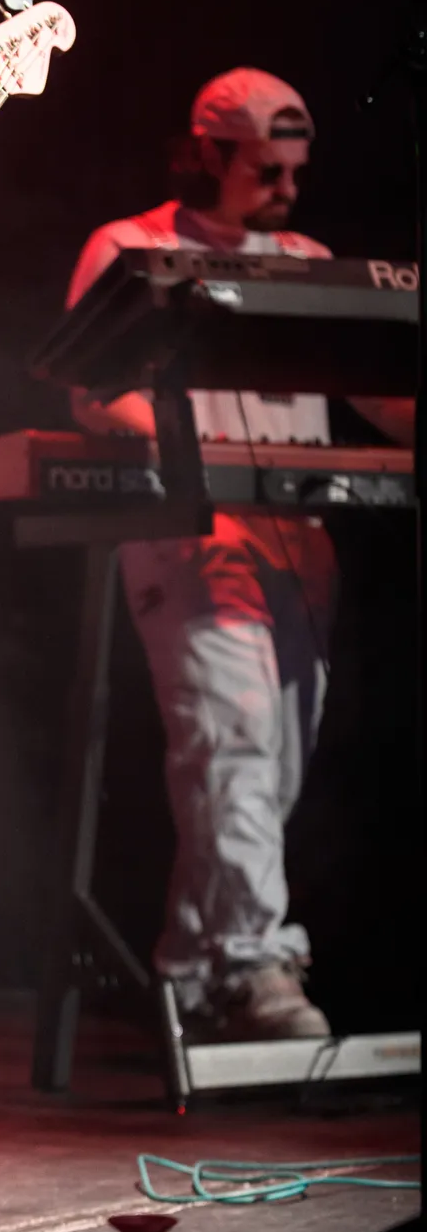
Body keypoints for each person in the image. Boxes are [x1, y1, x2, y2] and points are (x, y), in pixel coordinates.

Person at [67, 67, 413, 1046]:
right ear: (207, 157)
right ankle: (258, 961)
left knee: (274, 759)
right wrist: (201, 470)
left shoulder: (310, 259)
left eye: (298, 170)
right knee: (235, 741)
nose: (289, 191)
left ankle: (194, 968)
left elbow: (374, 390)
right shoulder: (130, 247)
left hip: (299, 541)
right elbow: (95, 394)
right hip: (194, 534)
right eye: (268, 172)